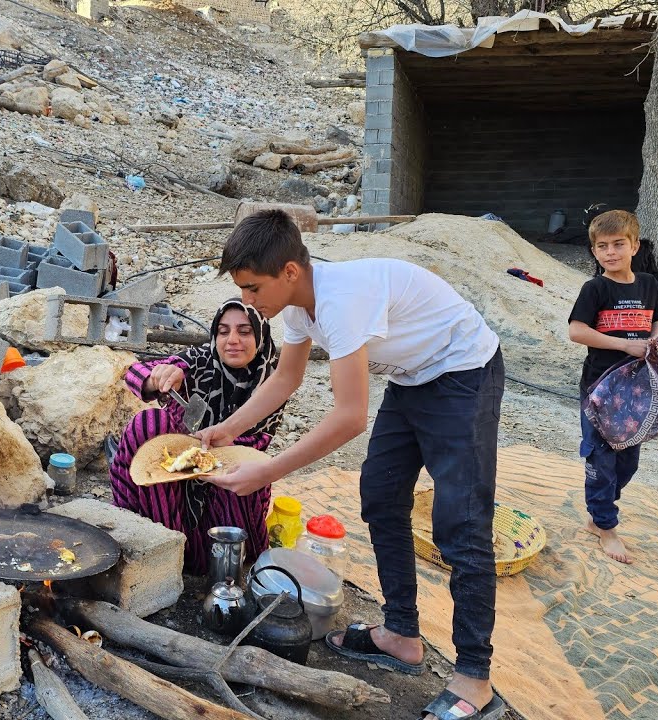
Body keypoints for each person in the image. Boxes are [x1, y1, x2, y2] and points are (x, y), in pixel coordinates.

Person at [196, 210, 506, 720]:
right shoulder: (296, 307)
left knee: (462, 523)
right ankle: (401, 634)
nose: (248, 303)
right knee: (381, 498)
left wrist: (267, 471)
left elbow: (348, 417)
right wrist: (229, 428)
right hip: (413, 378)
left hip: (463, 369)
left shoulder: (341, 302)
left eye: (253, 289)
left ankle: (474, 676)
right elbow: (284, 380)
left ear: (290, 272)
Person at [110, 299, 285, 574]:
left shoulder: (273, 378)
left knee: (250, 471)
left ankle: (213, 558)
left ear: (260, 335)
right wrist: (160, 378)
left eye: (244, 331)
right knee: (149, 423)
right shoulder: (201, 360)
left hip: (226, 481)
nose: (232, 340)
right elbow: (133, 373)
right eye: (223, 331)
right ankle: (164, 542)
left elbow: (257, 444)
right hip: (172, 484)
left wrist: (204, 455)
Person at [567, 209, 658, 565]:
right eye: (602, 246)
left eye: (618, 244)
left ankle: (601, 512)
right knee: (600, 457)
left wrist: (655, 342)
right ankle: (606, 527)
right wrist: (625, 345)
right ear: (595, 252)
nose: (610, 252)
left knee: (628, 461)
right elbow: (577, 331)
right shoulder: (595, 288)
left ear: (634, 245)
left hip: (637, 389)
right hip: (600, 389)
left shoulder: (648, 286)